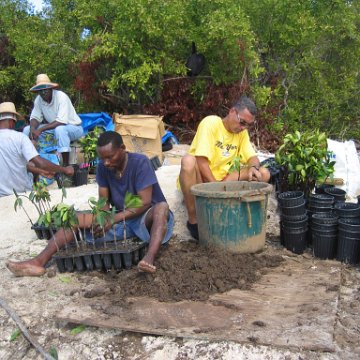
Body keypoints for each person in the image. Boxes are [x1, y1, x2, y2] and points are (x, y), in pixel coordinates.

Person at [6, 131, 174, 276]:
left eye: (110, 157)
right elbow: (103, 201)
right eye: (103, 159)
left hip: (147, 219)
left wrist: (112, 219)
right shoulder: (103, 167)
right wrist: (102, 219)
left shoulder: (140, 162)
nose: (106, 162)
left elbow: (144, 203)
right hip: (120, 218)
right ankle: (38, 261)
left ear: (122, 149)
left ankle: (149, 259)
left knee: (161, 207)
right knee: (75, 219)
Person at [179, 96, 270, 240]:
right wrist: (216, 188)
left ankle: (243, 216)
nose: (243, 128)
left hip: (225, 182)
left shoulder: (242, 133)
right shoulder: (211, 123)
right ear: (232, 111)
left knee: (263, 173)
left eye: (248, 125)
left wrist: (253, 167)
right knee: (188, 161)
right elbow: (201, 160)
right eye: (242, 123)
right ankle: (194, 220)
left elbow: (253, 158)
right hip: (203, 181)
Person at [0, 102, 75, 197]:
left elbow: (13, 165)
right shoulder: (20, 138)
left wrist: (40, 171)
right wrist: (64, 169)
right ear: (11, 122)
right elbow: (41, 163)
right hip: (22, 194)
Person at [23, 74, 84, 166]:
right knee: (26, 130)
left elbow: (61, 121)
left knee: (60, 129)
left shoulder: (61, 97)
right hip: (54, 129)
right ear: (38, 92)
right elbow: (35, 117)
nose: (43, 92)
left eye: (45, 89)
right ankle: (27, 162)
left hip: (73, 128)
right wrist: (32, 129)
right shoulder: (38, 100)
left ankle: (66, 165)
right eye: (40, 91)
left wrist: (40, 130)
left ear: (51, 89)